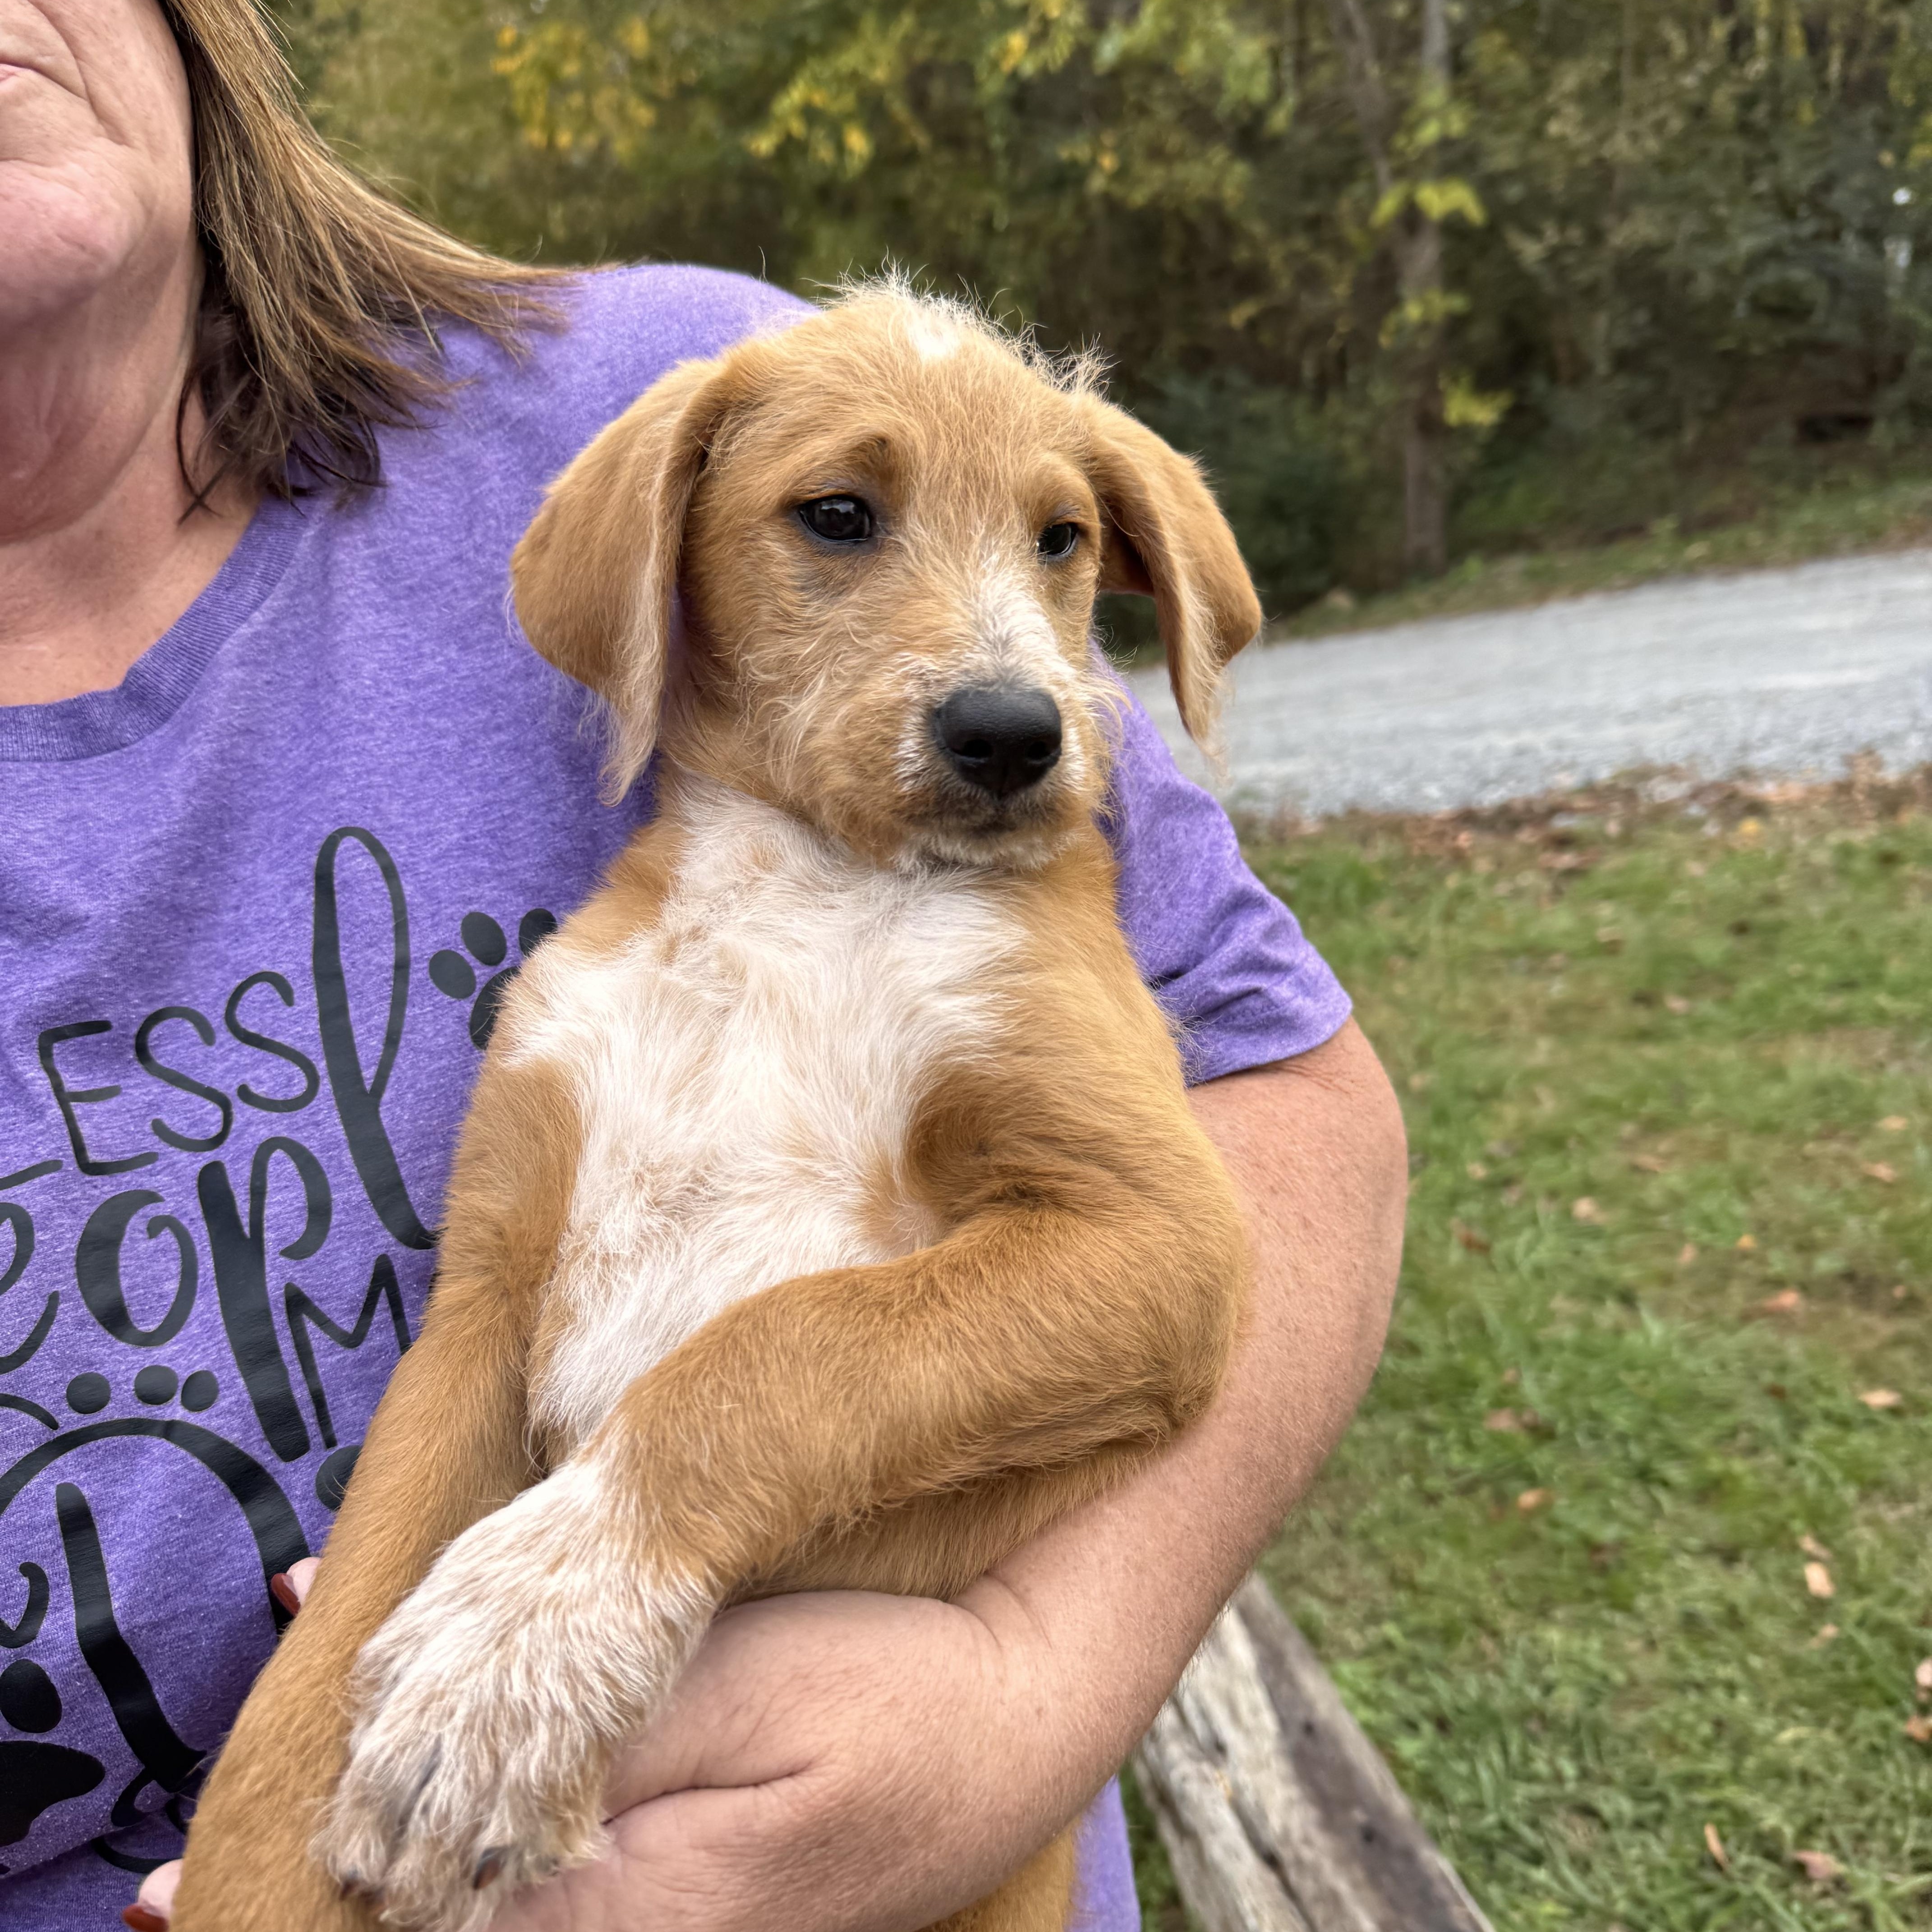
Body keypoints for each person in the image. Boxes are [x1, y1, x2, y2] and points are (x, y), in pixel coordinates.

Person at [0, 1, 1408, 1927]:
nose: (1003, 653)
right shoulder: (613, 952)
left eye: (1065, 544)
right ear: (667, 572)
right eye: (840, 524)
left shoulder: (668, 386)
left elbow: (1215, 1190)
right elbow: (478, 1353)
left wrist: (1007, 1690)